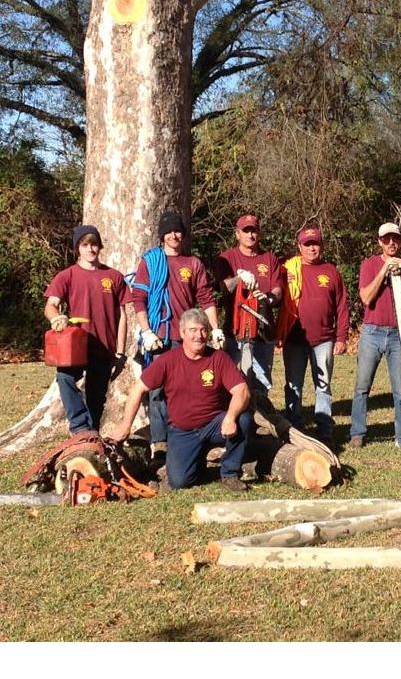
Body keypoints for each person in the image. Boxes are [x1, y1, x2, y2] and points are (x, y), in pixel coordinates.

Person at [110, 309, 251, 492]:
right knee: (179, 482)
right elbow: (139, 389)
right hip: (183, 431)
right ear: (182, 333)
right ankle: (197, 459)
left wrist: (230, 417)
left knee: (243, 419)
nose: (198, 336)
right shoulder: (168, 360)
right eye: (192, 330)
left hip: (214, 424)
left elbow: (242, 391)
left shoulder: (218, 358)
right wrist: (125, 425)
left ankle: (230, 473)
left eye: (203, 330)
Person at [131, 210, 223, 457]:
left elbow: (206, 298)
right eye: (169, 231)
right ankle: (160, 442)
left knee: (190, 387)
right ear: (162, 235)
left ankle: (188, 435)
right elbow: (138, 298)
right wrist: (147, 331)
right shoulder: (150, 261)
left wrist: (215, 329)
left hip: (187, 338)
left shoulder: (193, 263)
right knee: (158, 390)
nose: (174, 235)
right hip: (159, 336)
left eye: (178, 230)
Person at [44, 224, 130, 434]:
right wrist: (57, 318)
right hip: (76, 347)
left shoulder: (114, 276)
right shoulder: (67, 276)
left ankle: (91, 439)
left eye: (94, 245)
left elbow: (122, 316)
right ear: (78, 248)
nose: (90, 249)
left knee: (96, 399)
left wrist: (120, 351)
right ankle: (79, 426)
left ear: (99, 247)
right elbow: (51, 305)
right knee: (64, 378)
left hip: (104, 347)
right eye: (85, 245)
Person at [349, 222, 401, 448]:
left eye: (396, 239)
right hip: (372, 332)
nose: (392, 243)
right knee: (362, 386)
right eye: (387, 239)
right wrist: (384, 271)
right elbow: (366, 298)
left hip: (398, 335)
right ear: (380, 241)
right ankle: (357, 433)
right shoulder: (369, 265)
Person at [279, 225, 349, 446]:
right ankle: (294, 428)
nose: (312, 248)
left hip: (324, 340)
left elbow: (342, 306)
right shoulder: (288, 270)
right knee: (293, 385)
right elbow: (274, 298)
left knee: (323, 385)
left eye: (315, 244)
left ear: (322, 246)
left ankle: (325, 430)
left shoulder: (331, 271)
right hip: (295, 339)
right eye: (307, 244)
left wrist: (341, 337)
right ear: (299, 246)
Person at [213, 214, 283, 398]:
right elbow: (224, 287)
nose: (250, 235)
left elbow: (278, 289)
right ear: (237, 234)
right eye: (246, 231)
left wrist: (268, 299)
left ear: (259, 233)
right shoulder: (227, 258)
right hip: (235, 330)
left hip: (263, 328)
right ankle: (236, 422)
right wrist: (239, 279)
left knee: (261, 380)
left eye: (253, 231)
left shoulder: (269, 259)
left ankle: (259, 421)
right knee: (234, 379)